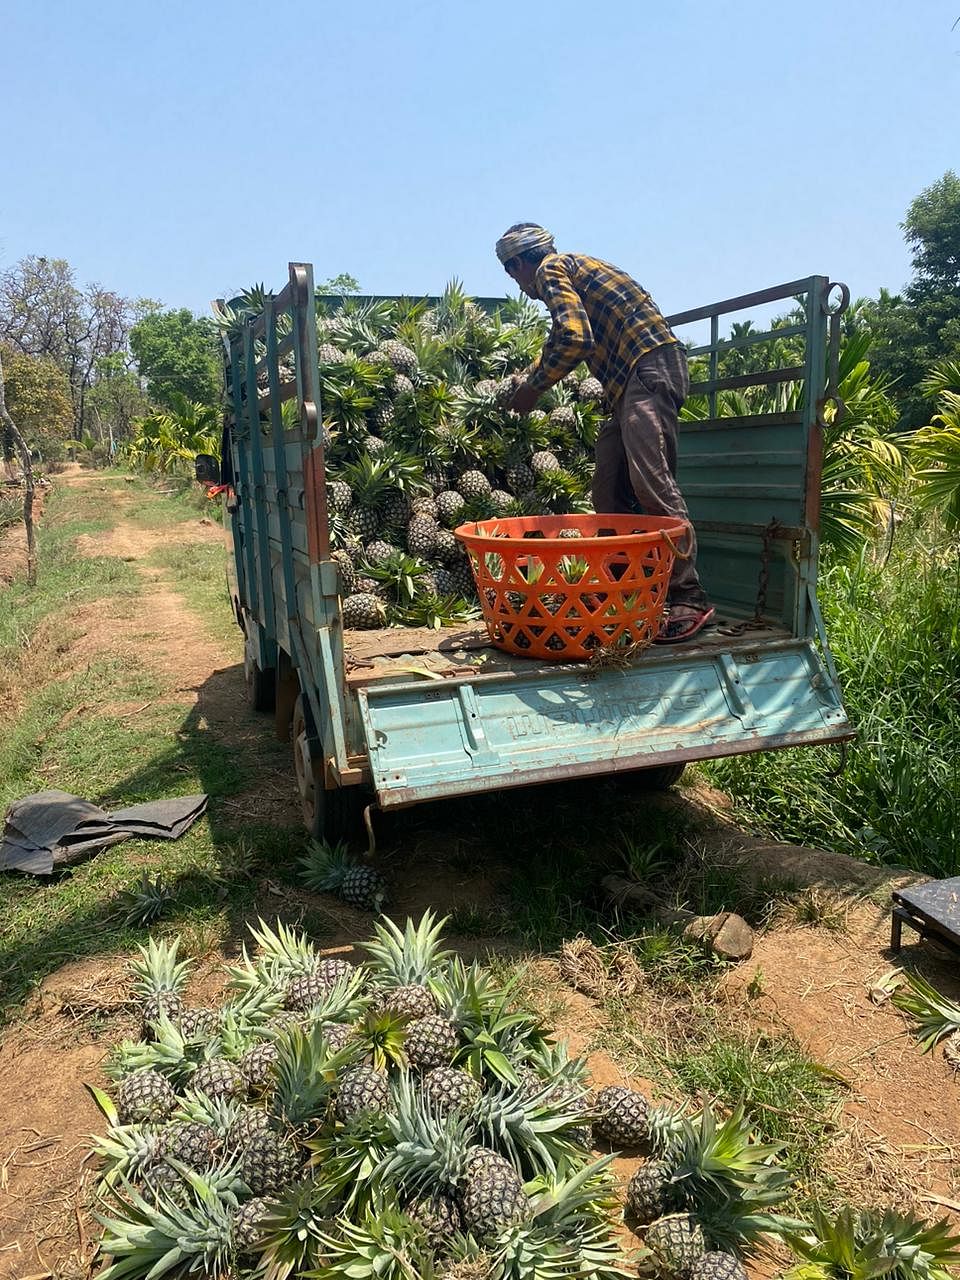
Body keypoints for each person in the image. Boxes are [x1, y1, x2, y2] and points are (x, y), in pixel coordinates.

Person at [495, 222, 714, 644]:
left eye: (511, 273)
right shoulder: (573, 268)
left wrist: (533, 388)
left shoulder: (551, 269)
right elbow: (568, 334)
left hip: (647, 370)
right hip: (630, 384)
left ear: (521, 262)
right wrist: (533, 373)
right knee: (608, 486)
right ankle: (624, 588)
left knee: (653, 484)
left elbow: (574, 337)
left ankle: (690, 594)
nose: (519, 285)